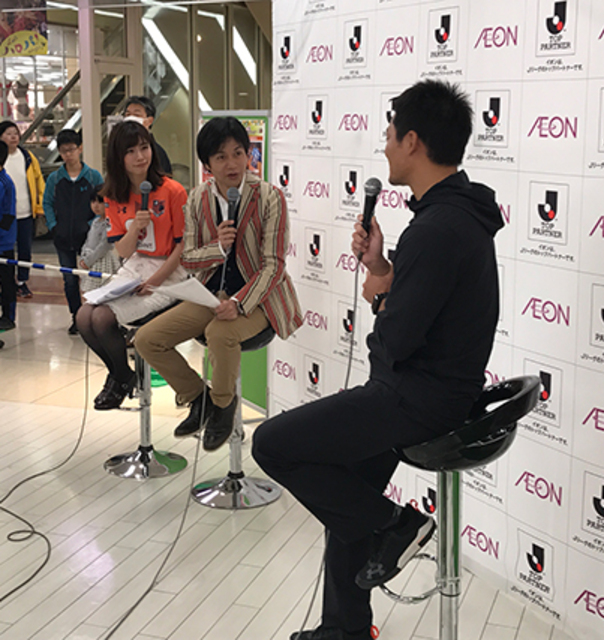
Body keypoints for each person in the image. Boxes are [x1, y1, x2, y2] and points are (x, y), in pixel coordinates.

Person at [252, 80, 504, 640]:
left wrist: (380, 295)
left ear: (412, 141)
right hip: (427, 391)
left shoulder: (437, 229)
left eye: (390, 135)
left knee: (270, 444)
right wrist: (384, 268)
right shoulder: (454, 217)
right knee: (346, 490)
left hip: (415, 400)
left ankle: (398, 526)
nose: (385, 146)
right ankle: (345, 628)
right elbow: (425, 315)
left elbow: (396, 339)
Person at [135, 116, 302, 452]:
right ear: (207, 163)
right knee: (147, 339)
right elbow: (189, 258)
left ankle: (223, 405)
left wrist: (238, 304)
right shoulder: (197, 199)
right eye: (221, 156)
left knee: (219, 333)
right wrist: (219, 248)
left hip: (260, 299)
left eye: (239, 153)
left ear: (248, 155)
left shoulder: (269, 197)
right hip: (210, 295)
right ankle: (199, 399)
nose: (232, 164)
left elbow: (273, 265)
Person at [76, 120, 187, 411]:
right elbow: (123, 251)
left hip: (169, 271)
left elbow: (182, 247)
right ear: (118, 157)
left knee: (102, 319)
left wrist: (156, 281)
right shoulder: (114, 195)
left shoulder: (173, 190)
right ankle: (121, 374)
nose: (140, 156)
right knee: (84, 316)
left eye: (144, 148)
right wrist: (135, 227)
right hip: (135, 265)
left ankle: (120, 379)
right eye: (131, 151)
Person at [43, 129, 103, 334]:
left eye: (71, 149)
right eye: (64, 151)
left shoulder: (93, 176)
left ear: (80, 148)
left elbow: (102, 202)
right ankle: (77, 317)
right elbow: (47, 203)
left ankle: (95, 317)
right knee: (69, 280)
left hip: (89, 238)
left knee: (92, 278)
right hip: (62, 237)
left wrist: (92, 225)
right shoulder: (55, 178)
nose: (68, 154)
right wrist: (53, 225)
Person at [0, 120, 45, 298]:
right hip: (6, 215)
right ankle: (6, 282)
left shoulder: (27, 157)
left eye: (16, 133)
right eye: (9, 134)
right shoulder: (2, 159)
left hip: (26, 212)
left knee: (25, 249)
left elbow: (39, 181)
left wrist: (39, 207)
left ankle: (22, 282)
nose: (13, 137)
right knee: (6, 250)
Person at [78, 185, 120, 294]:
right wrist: (83, 257)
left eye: (100, 202)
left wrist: (88, 261)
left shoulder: (109, 222)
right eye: (93, 201)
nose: (96, 206)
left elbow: (105, 245)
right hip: (90, 260)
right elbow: (88, 241)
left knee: (100, 292)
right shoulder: (95, 222)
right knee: (87, 292)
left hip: (101, 261)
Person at [123, 96, 172, 176]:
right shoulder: (120, 147)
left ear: (149, 121)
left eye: (136, 115)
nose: (131, 118)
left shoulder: (157, 152)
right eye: (128, 115)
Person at [0, 140, 17, 332]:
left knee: (6, 281)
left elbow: (8, 216)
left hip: (3, 242)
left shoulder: (5, 183)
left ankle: (8, 316)